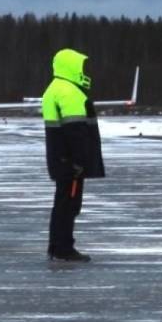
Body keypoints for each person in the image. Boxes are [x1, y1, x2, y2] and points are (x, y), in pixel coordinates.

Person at [41, 48, 105, 262]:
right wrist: (79, 161)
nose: (85, 70)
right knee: (68, 205)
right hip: (70, 163)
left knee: (63, 203)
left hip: (60, 159)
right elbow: (75, 131)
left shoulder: (54, 88)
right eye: (81, 66)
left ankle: (57, 246)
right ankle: (63, 248)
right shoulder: (69, 92)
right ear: (71, 67)